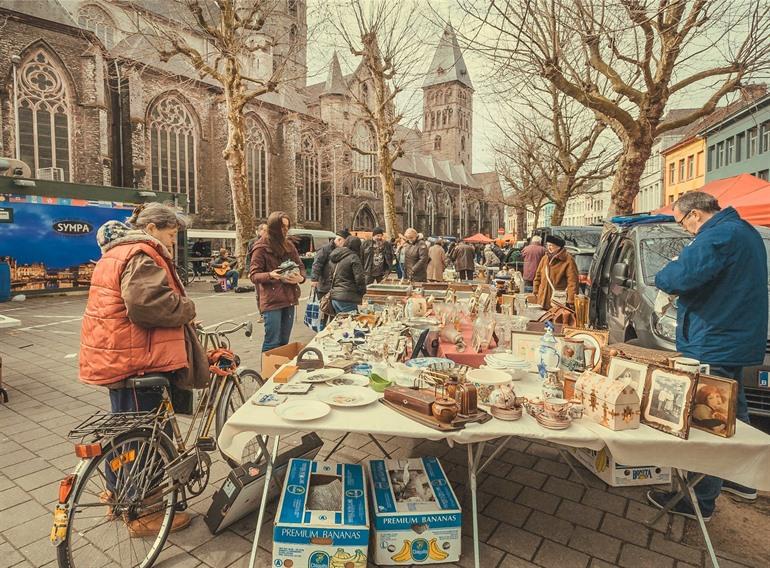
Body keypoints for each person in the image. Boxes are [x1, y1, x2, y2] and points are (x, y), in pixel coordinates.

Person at [79, 203, 210, 536]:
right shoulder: (140, 253)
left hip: (119, 357)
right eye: (170, 234)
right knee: (149, 438)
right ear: (151, 229)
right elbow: (145, 304)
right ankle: (145, 515)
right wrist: (186, 307)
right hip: (138, 360)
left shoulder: (116, 252)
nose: (172, 242)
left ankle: (116, 493)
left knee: (124, 434)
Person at [648, 191, 767, 520]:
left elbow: (679, 277)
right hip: (733, 336)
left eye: (682, 222)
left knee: (707, 418)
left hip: (714, 337)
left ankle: (700, 500)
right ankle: (741, 478)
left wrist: (665, 276)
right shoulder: (746, 232)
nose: (685, 230)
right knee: (732, 411)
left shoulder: (718, 235)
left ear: (695, 214)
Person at [249, 211, 307, 352]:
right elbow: (254, 275)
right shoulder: (260, 247)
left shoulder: (289, 245)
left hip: (289, 298)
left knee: (284, 341)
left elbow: (300, 266)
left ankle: (280, 370)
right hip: (272, 301)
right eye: (282, 227)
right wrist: (270, 275)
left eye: (287, 227)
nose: (285, 230)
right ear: (274, 227)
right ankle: (268, 372)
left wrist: (301, 278)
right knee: (272, 342)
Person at [531, 235, 579, 310]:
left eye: (551, 245)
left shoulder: (568, 260)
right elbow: (538, 276)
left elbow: (573, 283)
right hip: (542, 300)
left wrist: (571, 301)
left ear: (558, 246)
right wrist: (536, 291)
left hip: (558, 302)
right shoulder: (545, 258)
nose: (548, 247)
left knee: (556, 321)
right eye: (547, 245)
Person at [328, 235, 367, 313]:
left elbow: (330, 277)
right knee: (351, 322)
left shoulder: (334, 255)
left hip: (335, 297)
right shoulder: (353, 257)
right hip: (348, 297)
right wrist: (362, 292)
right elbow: (359, 278)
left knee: (341, 322)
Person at [312, 228, 348, 298]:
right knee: (324, 306)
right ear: (339, 240)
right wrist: (314, 279)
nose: (346, 245)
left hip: (335, 287)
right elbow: (317, 264)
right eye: (345, 242)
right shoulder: (325, 249)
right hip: (324, 286)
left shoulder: (341, 250)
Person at [248, 223, 268, 322]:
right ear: (260, 231)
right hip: (257, 271)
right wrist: (249, 270)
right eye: (265, 231)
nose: (267, 233)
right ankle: (262, 314)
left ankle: (267, 313)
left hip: (268, 271)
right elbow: (249, 257)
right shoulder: (253, 242)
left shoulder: (270, 241)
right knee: (259, 294)